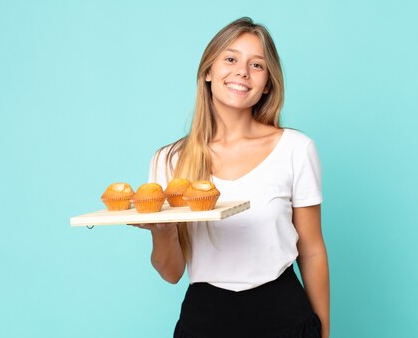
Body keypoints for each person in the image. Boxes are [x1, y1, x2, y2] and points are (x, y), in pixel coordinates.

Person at [135, 17, 330, 338]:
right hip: (205, 318)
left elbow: (312, 250)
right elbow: (171, 272)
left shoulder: (295, 149)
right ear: (208, 72)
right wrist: (163, 231)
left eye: (257, 65)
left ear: (267, 82)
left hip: (284, 315)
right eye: (230, 59)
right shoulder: (170, 160)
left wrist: (325, 333)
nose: (242, 71)